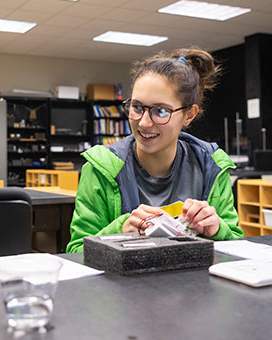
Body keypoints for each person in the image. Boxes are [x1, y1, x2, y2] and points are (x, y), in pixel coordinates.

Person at [67, 48, 244, 252]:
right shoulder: (100, 168)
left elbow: (235, 247)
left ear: (189, 115)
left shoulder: (211, 165)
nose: (143, 122)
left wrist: (217, 229)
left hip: (193, 282)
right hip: (124, 284)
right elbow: (76, 252)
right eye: (137, 107)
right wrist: (119, 230)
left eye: (161, 111)